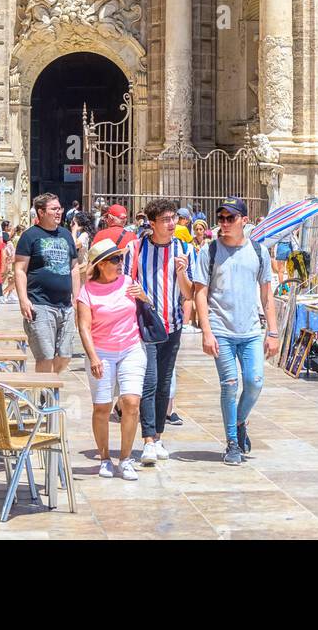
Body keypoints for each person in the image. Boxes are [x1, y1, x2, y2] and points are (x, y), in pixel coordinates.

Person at [193, 196, 278, 466]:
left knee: (255, 382)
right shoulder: (210, 251)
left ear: (244, 220)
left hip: (251, 330)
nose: (225, 223)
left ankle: (240, 421)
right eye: (221, 218)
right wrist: (206, 332)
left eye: (231, 218)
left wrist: (273, 332)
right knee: (229, 385)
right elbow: (200, 293)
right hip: (221, 329)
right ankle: (232, 442)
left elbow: (267, 296)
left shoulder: (258, 251)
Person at [125, 197, 194, 466]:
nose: (171, 223)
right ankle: (148, 440)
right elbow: (127, 283)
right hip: (145, 325)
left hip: (173, 324)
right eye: (165, 219)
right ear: (151, 223)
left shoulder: (184, 248)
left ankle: (159, 436)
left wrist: (181, 273)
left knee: (165, 382)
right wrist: (140, 294)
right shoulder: (136, 248)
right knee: (150, 381)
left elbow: (189, 293)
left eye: (173, 218)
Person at [77, 238, 149, 481]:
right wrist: (93, 356)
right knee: (102, 407)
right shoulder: (86, 291)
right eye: (115, 260)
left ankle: (126, 458)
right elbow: (84, 327)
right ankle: (105, 457)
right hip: (101, 352)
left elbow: (147, 310)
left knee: (130, 402)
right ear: (100, 265)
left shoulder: (128, 282)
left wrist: (144, 296)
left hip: (131, 348)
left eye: (121, 259)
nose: (121, 264)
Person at [15, 193, 80, 373]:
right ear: (41, 212)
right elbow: (20, 269)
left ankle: (50, 388)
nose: (58, 212)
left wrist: (77, 297)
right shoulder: (30, 236)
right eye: (54, 209)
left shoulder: (66, 235)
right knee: (45, 356)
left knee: (65, 355)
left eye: (59, 208)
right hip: (40, 304)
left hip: (65, 305)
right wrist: (23, 299)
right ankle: (45, 396)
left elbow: (74, 268)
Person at [70, 211, 95, 285]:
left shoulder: (84, 235)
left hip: (82, 270)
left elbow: (74, 245)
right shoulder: (87, 234)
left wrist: (73, 230)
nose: (71, 224)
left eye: (73, 222)